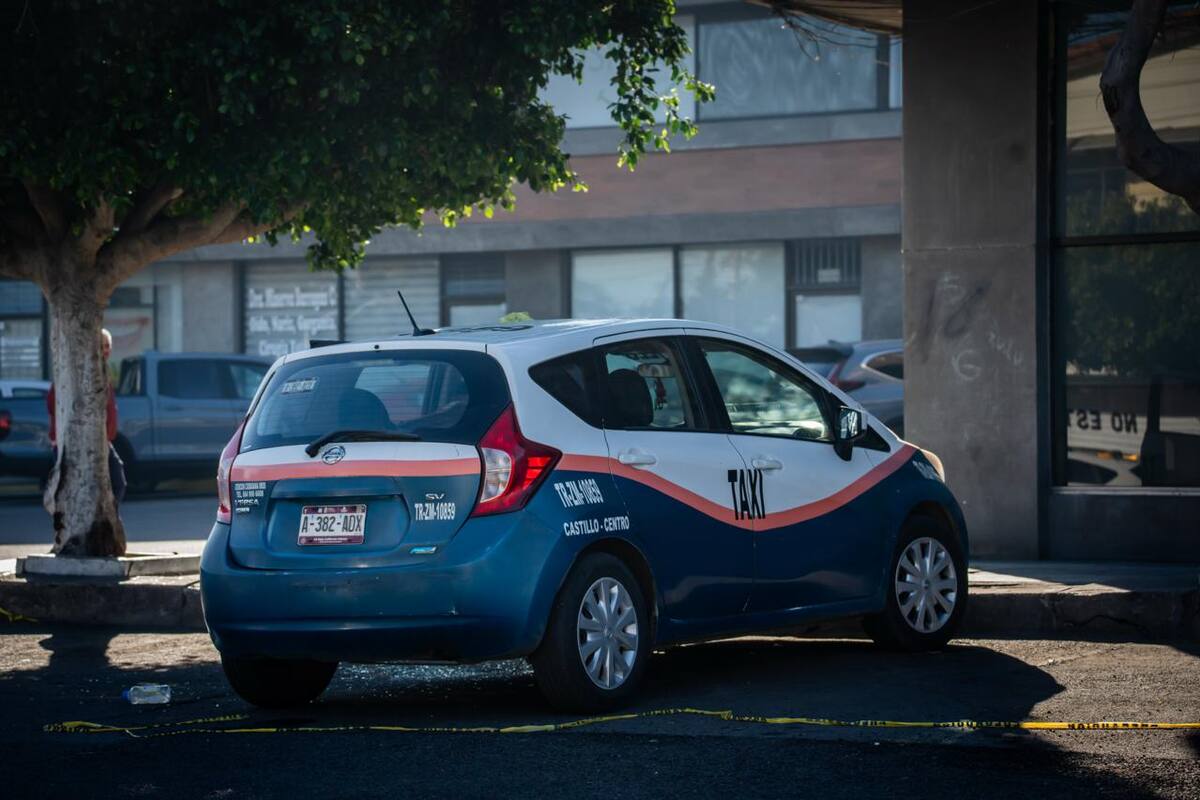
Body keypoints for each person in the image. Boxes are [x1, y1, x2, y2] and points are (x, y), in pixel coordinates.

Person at [46, 328, 126, 507]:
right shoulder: (76, 371)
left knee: (118, 483)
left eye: (108, 346)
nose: (105, 350)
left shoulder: (103, 372)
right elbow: (52, 403)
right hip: (73, 442)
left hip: (102, 442)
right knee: (76, 491)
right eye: (101, 346)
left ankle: (107, 517)